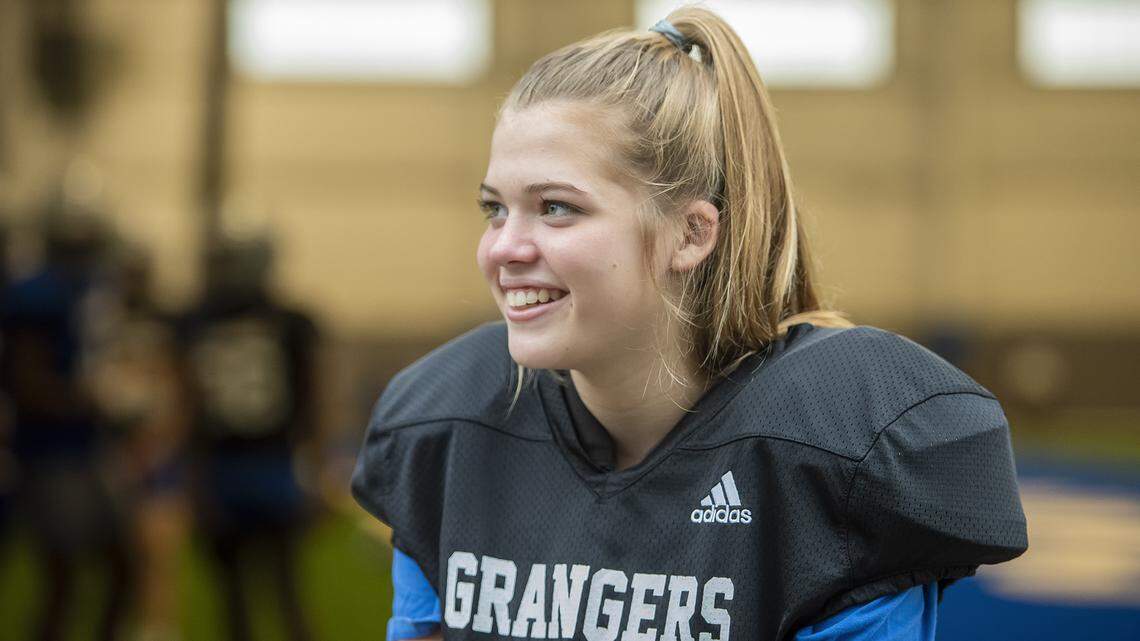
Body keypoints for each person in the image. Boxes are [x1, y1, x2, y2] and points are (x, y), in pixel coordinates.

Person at [352, 8, 1028, 641]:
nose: (503, 248)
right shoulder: (448, 428)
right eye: (495, 209)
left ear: (690, 232)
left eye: (556, 207)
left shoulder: (832, 451)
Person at [178, 235, 318, 641]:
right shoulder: (289, 320)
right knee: (285, 588)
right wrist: (316, 463)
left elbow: (188, 404)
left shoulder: (198, 320)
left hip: (227, 465)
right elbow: (313, 395)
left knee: (239, 596)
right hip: (271, 462)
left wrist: (193, 475)